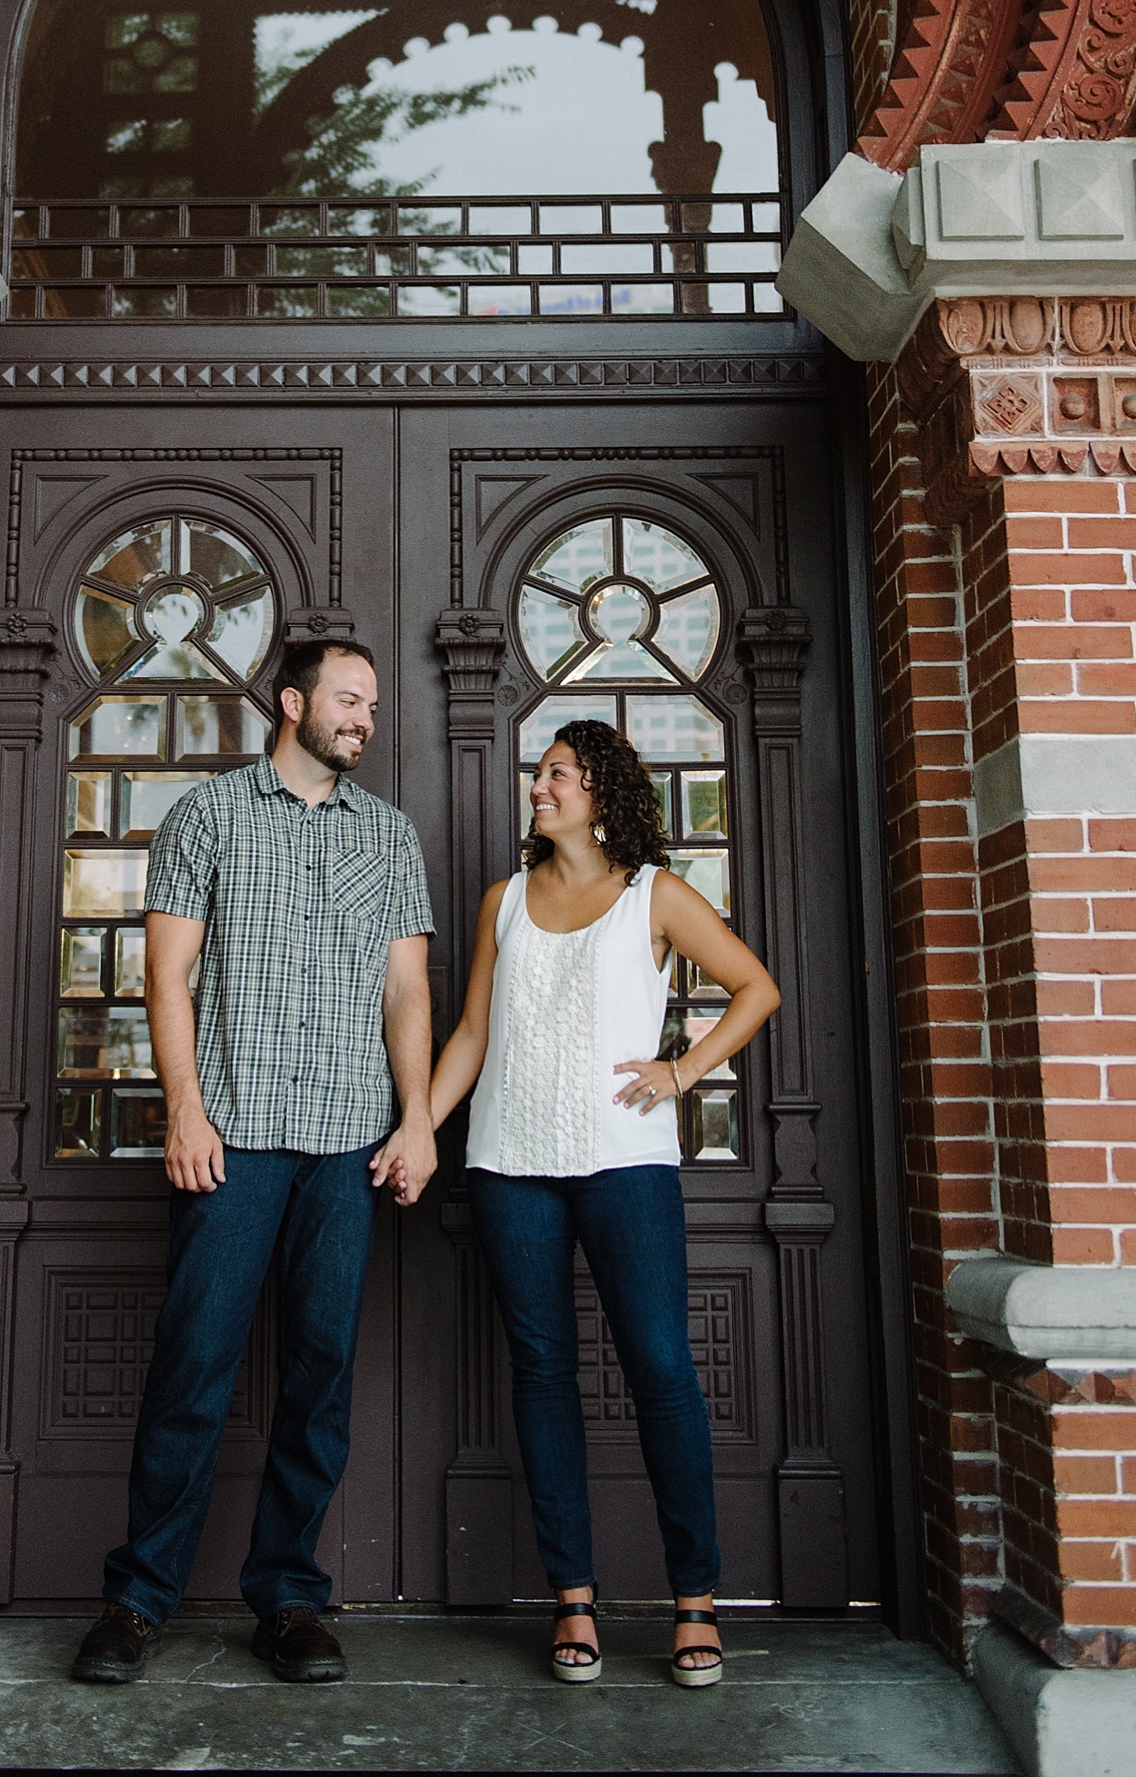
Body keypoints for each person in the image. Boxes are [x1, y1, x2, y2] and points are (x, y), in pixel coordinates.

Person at [375, 717, 777, 1689]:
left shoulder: (656, 894)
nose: (538, 786)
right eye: (540, 772)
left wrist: (681, 1071)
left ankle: (694, 1599)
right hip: (510, 1164)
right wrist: (420, 1122)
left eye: (556, 773)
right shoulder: (503, 901)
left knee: (660, 1368)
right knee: (543, 1373)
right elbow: (472, 1029)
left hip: (626, 1164)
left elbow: (755, 987)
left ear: (598, 789)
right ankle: (574, 1597)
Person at [73, 638, 436, 1688]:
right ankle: (137, 1597)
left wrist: (416, 1118)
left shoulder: (390, 834)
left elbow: (406, 990)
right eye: (348, 698)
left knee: (318, 1378)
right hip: (231, 1139)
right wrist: (183, 1108)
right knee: (194, 1368)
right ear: (293, 702)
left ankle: (287, 1596)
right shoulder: (210, 814)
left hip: (349, 1147)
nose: (365, 717)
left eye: (372, 702)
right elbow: (167, 973)